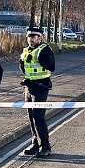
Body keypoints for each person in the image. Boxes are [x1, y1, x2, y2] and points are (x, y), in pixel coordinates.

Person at [19, 26, 55, 157]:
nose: (30, 39)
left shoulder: (45, 50)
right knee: (31, 118)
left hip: (41, 87)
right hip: (29, 86)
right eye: (29, 37)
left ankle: (45, 146)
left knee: (38, 117)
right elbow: (22, 66)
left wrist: (40, 61)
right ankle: (35, 144)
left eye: (33, 37)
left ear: (40, 38)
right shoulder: (26, 50)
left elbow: (52, 66)